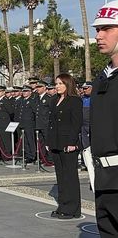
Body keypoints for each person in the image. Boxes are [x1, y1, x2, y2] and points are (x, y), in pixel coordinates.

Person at [90, 0, 118, 238]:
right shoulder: (102, 78)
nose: (99, 35)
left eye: (107, 28)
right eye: (98, 29)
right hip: (104, 180)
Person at [46, 73, 82, 219]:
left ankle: (72, 209)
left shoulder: (74, 101)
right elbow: (51, 123)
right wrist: (49, 142)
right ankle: (63, 205)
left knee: (70, 176)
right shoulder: (54, 100)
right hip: (56, 142)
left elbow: (76, 123)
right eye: (56, 83)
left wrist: (72, 143)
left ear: (68, 84)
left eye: (61, 83)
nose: (57, 86)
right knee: (60, 176)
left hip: (68, 143)